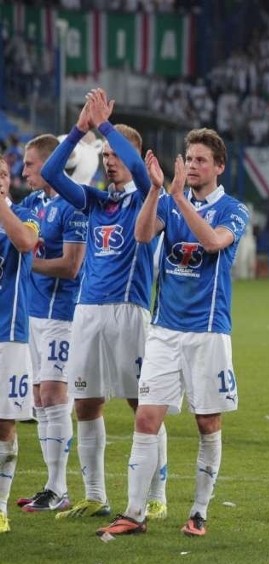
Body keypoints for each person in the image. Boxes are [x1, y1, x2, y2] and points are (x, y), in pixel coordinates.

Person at [97, 128, 250, 538]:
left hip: (208, 333)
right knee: (146, 418)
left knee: (207, 423)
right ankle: (134, 512)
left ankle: (199, 511)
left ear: (220, 166)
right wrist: (155, 191)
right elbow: (143, 235)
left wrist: (180, 198)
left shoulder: (234, 209)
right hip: (164, 330)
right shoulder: (167, 200)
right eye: (189, 158)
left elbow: (214, 243)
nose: (193, 165)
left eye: (201, 160)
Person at [41, 89, 169, 521]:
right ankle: (95, 494)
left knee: (141, 404)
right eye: (107, 155)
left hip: (129, 311)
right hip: (87, 311)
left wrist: (107, 127)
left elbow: (139, 170)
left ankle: (158, 493)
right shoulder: (97, 200)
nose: (109, 160)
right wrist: (81, 128)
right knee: (86, 404)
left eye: (116, 154)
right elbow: (52, 172)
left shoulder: (148, 198)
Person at [16, 134, 86, 513]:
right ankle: (50, 484)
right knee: (40, 398)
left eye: (29, 164)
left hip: (63, 314)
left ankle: (59, 489)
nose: (22, 171)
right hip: (33, 312)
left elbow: (72, 266)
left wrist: (27, 263)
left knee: (55, 395)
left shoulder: (73, 207)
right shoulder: (34, 203)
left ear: (47, 165)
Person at [0, 156, 40, 533]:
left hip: (8, 336)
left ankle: (0, 508)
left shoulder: (26, 214)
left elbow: (26, 242)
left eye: (1, 174)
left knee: (4, 425)